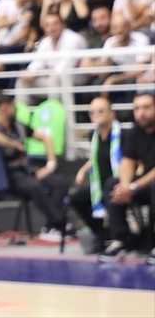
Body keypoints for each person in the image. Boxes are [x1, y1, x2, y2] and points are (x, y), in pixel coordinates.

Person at [0, 94, 68, 240]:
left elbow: (46, 138)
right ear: (4, 108)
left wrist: (50, 165)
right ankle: (60, 223)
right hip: (7, 175)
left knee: (60, 182)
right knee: (35, 186)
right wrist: (13, 144)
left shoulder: (19, 126)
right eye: (13, 106)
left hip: (25, 171)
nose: (16, 109)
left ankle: (51, 226)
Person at [98, 91, 155, 261]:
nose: (141, 112)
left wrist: (132, 187)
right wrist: (124, 186)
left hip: (151, 184)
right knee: (112, 184)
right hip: (146, 184)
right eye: (136, 108)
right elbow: (127, 161)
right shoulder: (135, 131)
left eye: (146, 107)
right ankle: (121, 241)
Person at [70, 96, 123, 253]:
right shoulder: (93, 136)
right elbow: (95, 157)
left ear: (111, 113)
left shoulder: (122, 135)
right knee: (77, 196)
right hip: (99, 185)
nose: (96, 114)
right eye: (93, 112)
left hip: (118, 182)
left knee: (110, 187)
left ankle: (120, 237)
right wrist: (83, 170)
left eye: (101, 111)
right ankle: (101, 233)